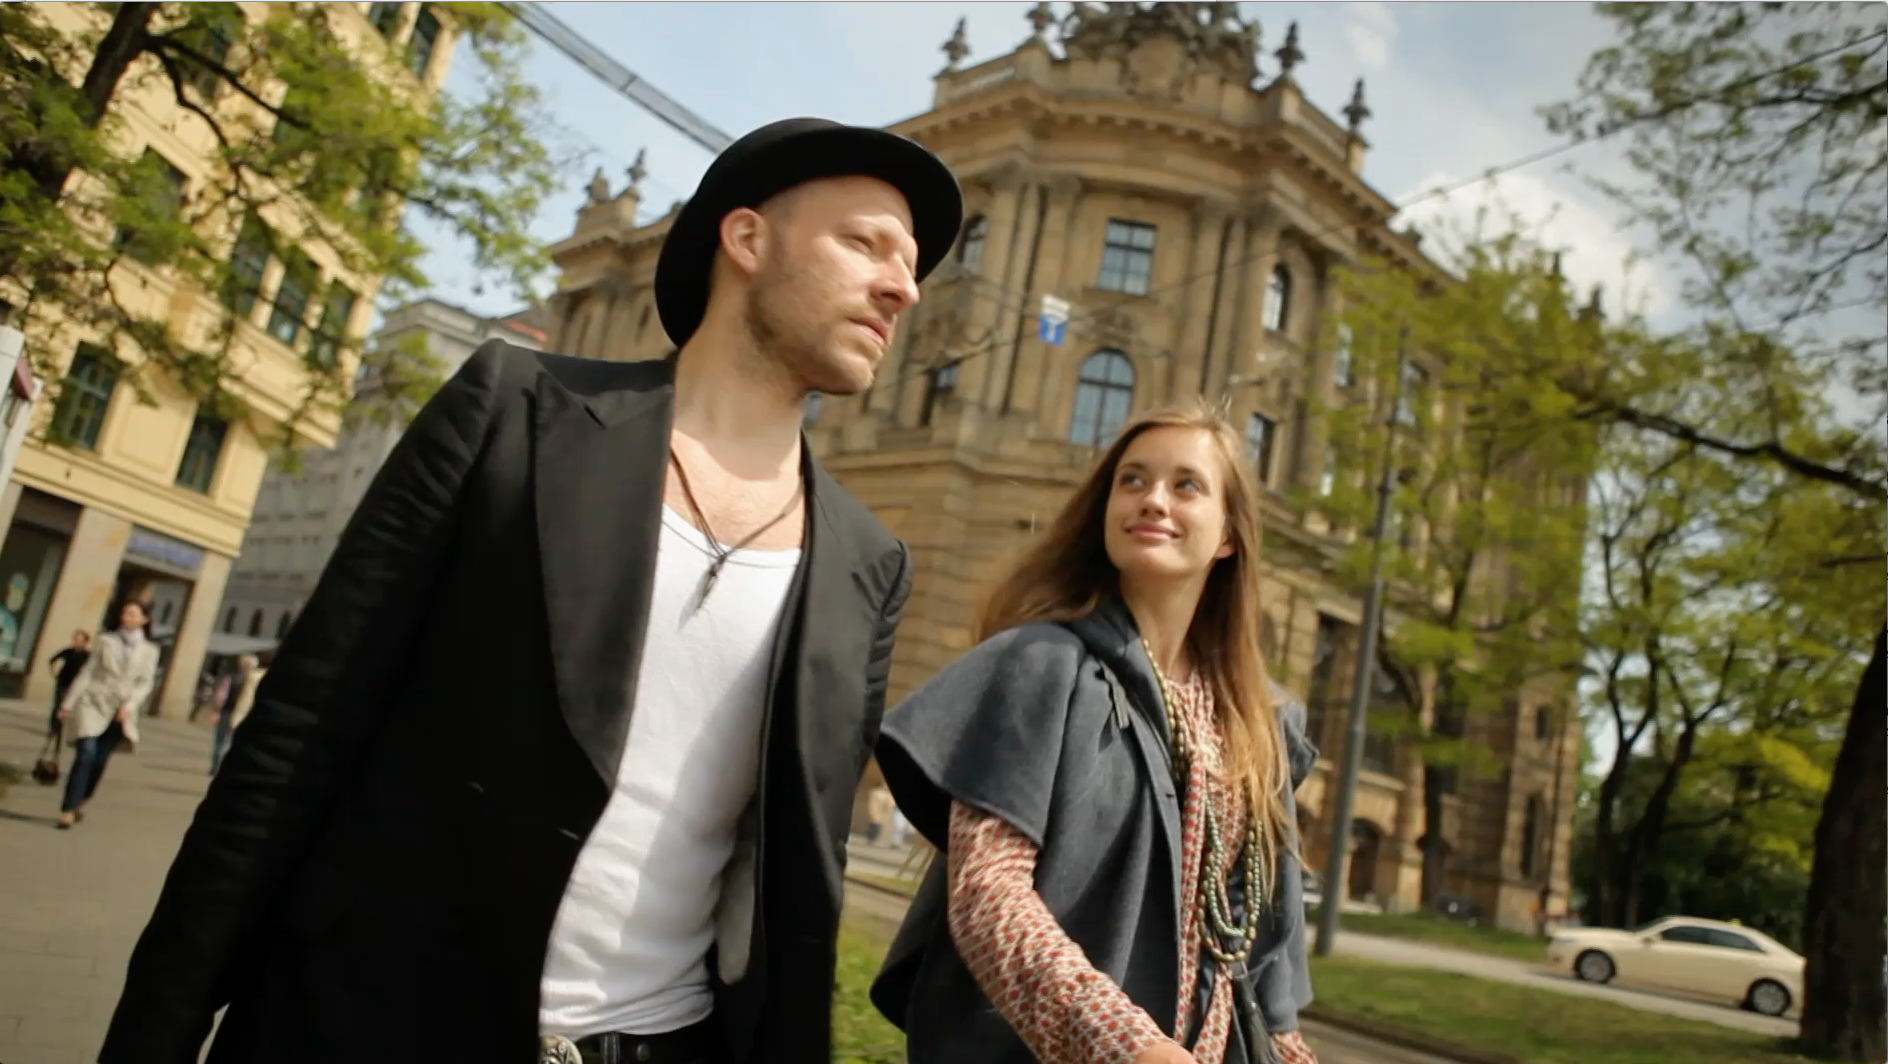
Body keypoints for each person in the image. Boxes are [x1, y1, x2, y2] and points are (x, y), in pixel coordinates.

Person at [100, 117, 961, 1064]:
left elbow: (802, 879)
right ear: (748, 238)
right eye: (865, 244)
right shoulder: (514, 410)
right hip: (374, 1020)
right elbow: (296, 740)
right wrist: (155, 1033)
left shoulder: (868, 560)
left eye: (912, 264)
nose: (905, 287)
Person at [869, 402, 1323, 1064]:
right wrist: (1125, 1045)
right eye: (1132, 480)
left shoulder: (1261, 720)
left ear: (1228, 534)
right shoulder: (1039, 663)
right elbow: (988, 894)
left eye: (1186, 485)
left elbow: (1264, 955)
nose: (1153, 499)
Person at [55, 603, 158, 831]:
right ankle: (68, 809)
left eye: (133, 614)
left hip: (120, 710)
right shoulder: (106, 641)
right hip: (93, 701)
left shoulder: (149, 650)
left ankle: (83, 798)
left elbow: (145, 683)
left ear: (144, 619)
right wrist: (67, 703)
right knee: (86, 753)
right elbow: (88, 672)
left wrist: (129, 705)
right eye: (125, 613)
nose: (127, 617)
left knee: (99, 759)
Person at [208, 654, 259, 776]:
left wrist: (216, 710)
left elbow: (220, 696)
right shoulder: (255, 682)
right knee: (232, 741)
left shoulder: (230, 678)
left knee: (220, 741)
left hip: (226, 712)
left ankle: (215, 766)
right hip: (242, 715)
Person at [44, 628, 90, 734]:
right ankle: (54, 728)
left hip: (75, 684)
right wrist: (54, 673)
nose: (76, 642)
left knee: (70, 706)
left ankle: (65, 728)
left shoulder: (87, 655)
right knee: (58, 704)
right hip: (63, 681)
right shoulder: (68, 651)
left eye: (80, 640)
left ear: (85, 642)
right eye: (75, 640)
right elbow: (52, 660)